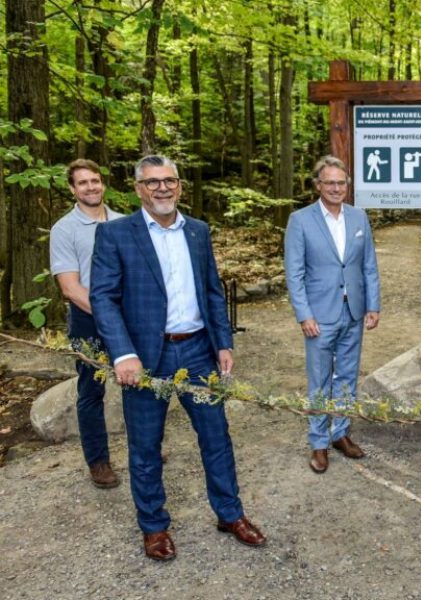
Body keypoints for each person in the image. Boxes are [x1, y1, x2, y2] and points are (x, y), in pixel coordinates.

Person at [90, 155, 265, 561]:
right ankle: (154, 527)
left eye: (169, 180)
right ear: (138, 189)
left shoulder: (198, 232)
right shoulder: (116, 234)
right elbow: (103, 298)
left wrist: (223, 343)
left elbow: (212, 292)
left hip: (199, 351)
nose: (163, 188)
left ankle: (229, 513)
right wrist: (123, 354)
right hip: (146, 357)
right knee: (146, 446)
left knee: (216, 437)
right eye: (153, 183)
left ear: (180, 186)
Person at [284, 155, 380, 474]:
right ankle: (318, 442)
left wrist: (373, 305)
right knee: (320, 380)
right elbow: (294, 273)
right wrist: (303, 315)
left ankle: (340, 434)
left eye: (341, 182)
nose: (336, 188)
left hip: (353, 311)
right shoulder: (300, 220)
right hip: (319, 315)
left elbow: (368, 266)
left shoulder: (358, 218)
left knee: (347, 378)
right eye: (330, 182)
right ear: (318, 185)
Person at [49, 159, 125, 488]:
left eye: (95, 180)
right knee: (91, 390)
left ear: (103, 183)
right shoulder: (64, 229)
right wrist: (107, 314)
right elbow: (70, 287)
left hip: (128, 317)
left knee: (139, 385)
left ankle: (144, 446)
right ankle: (98, 461)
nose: (91, 187)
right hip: (87, 319)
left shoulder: (125, 223)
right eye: (83, 183)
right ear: (72, 189)